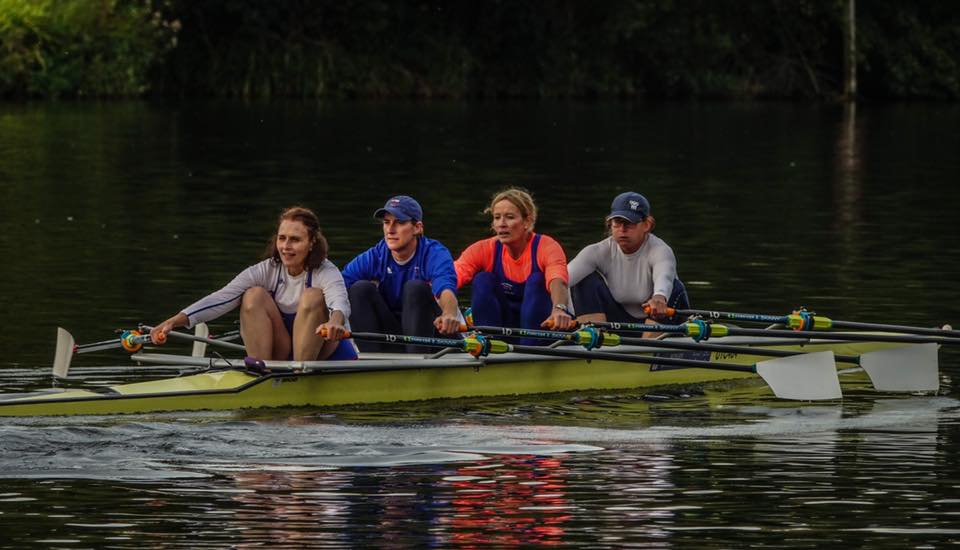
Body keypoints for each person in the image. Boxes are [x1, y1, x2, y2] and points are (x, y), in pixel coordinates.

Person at [149, 206, 356, 361]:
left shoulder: (326, 271)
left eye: (295, 239)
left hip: (324, 356)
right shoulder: (267, 270)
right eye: (282, 238)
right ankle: (261, 370)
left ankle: (300, 374)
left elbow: (339, 303)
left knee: (313, 296)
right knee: (252, 296)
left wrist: (335, 322)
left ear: (312, 243)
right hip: (282, 354)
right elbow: (222, 298)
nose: (285, 246)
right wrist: (173, 322)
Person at [342, 195, 461, 353]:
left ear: (417, 228)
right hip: (396, 336)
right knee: (359, 289)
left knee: (414, 288)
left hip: (434, 337)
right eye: (386, 222)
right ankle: (372, 361)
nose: (390, 229)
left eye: (399, 222)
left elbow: (445, 288)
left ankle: (416, 365)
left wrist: (449, 314)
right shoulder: (376, 255)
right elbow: (338, 285)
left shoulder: (434, 253)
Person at [455, 187, 574, 335]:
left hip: (541, 325)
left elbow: (558, 279)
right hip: (503, 326)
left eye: (510, 217)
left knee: (537, 280)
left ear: (527, 221)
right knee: (482, 279)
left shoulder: (547, 246)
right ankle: (489, 341)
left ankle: (531, 347)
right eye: (497, 217)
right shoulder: (483, 249)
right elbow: (452, 277)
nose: (501, 224)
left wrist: (559, 308)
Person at [568, 191, 690, 333]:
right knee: (583, 281)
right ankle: (597, 344)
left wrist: (659, 297)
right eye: (617, 222)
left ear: (647, 225)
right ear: (610, 224)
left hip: (660, 317)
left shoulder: (660, 250)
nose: (622, 230)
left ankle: (647, 350)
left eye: (630, 223)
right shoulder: (597, 251)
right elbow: (562, 279)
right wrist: (560, 308)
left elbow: (665, 276)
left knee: (675, 287)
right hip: (618, 323)